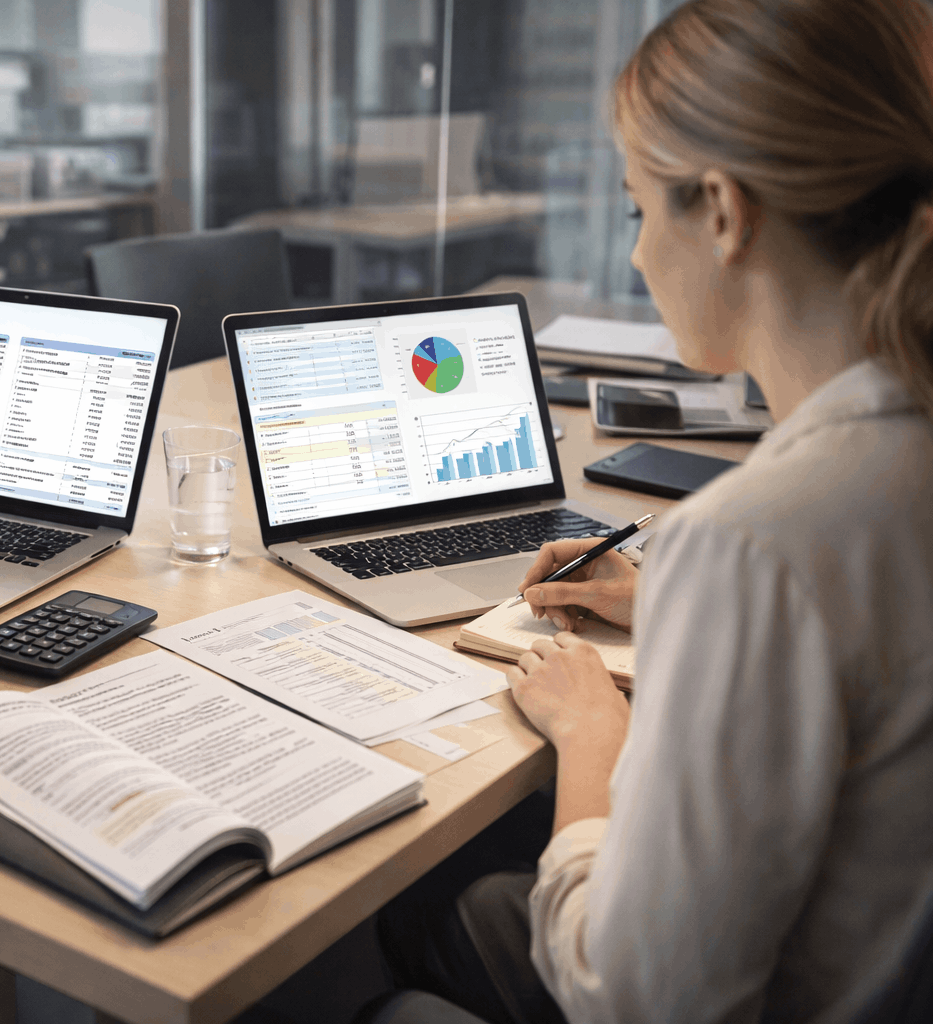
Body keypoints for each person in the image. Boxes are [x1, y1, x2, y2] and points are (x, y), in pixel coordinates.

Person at [371, 0, 933, 1021]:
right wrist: (666, 597)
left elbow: (632, 1000)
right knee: (455, 907)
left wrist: (595, 732)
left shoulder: (759, 542)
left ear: (721, 210)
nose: (635, 256)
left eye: (638, 210)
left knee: (393, 995)